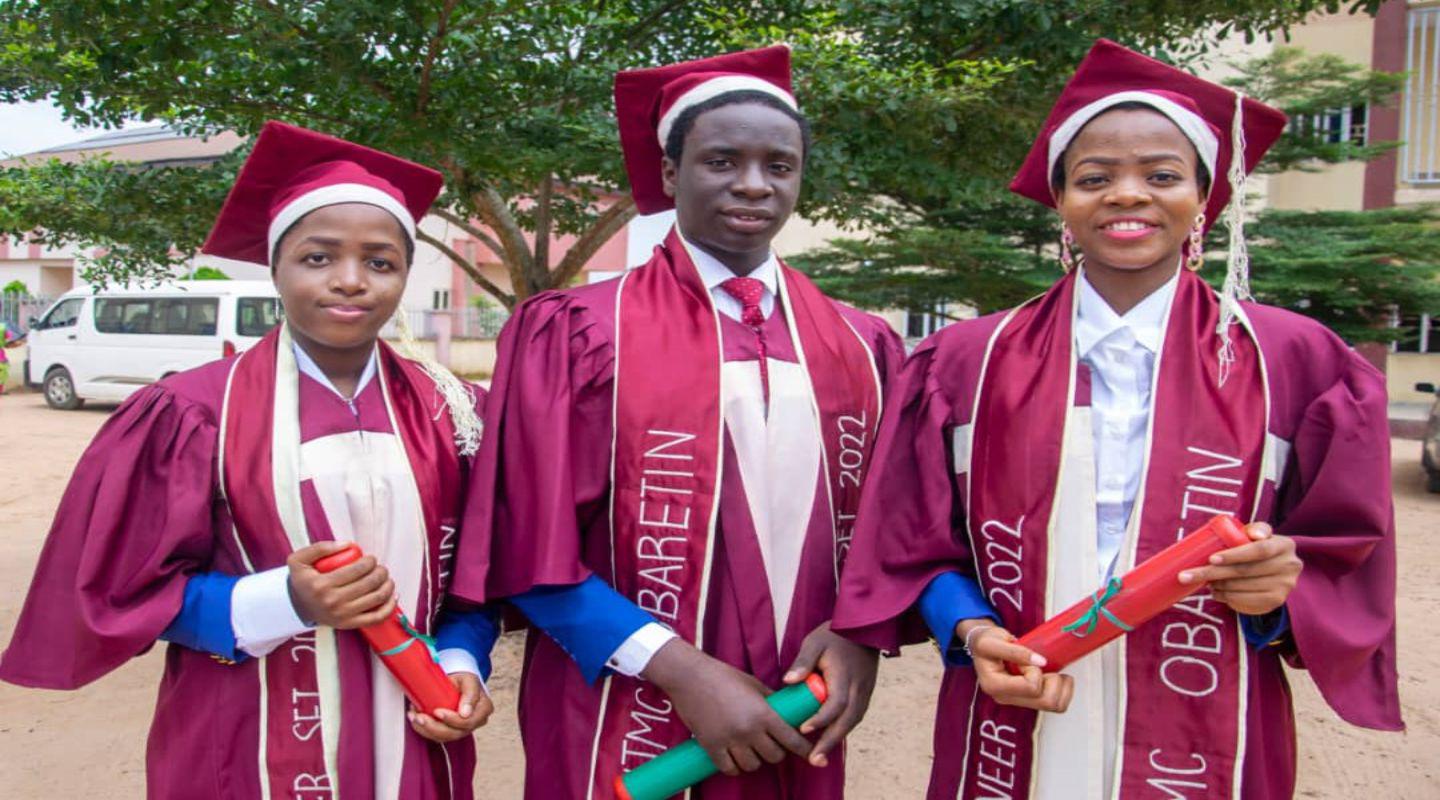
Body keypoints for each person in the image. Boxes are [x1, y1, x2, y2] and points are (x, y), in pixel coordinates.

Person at [832, 39, 1402, 799]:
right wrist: (972, 633)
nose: (1126, 194)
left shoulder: (1296, 361)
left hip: (1210, 710)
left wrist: (1282, 593)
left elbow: (1343, 554)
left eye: (1162, 175)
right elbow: (908, 546)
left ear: (1204, 197)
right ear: (1061, 203)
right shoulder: (965, 361)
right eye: (1093, 178)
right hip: (1013, 704)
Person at [450, 46, 903, 799]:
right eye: (722, 160)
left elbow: (893, 528)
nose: (754, 185)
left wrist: (861, 635)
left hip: (797, 697)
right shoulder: (577, 330)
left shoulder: (861, 343)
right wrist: (684, 672)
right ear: (669, 174)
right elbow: (527, 535)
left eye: (779, 165)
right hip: (619, 695)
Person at [0, 121, 498, 799]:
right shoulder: (193, 413)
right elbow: (122, 594)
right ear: (275, 266)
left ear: (405, 274)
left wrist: (465, 660)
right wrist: (281, 599)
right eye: (318, 258)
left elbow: (477, 579)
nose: (351, 281)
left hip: (412, 729)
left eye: (380, 262)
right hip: (245, 733)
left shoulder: (456, 413)